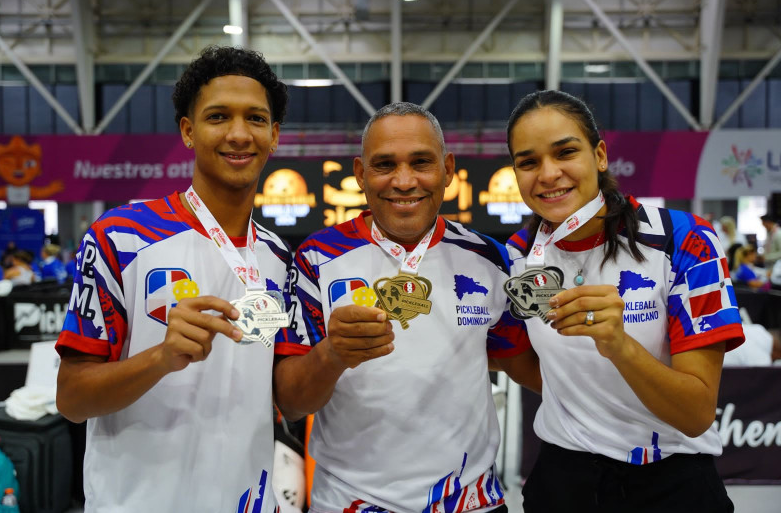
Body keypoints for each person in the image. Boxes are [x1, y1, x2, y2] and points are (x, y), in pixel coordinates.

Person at [55, 45, 292, 512]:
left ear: (274, 136)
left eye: (256, 119)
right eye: (219, 116)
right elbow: (71, 399)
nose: (240, 134)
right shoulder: (119, 237)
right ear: (188, 131)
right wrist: (161, 357)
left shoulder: (280, 257)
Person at [273, 102, 538, 512]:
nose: (403, 180)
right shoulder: (315, 259)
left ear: (448, 169)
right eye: (384, 165)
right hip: (350, 503)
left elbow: (526, 367)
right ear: (360, 174)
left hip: (471, 504)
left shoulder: (491, 260)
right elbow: (290, 402)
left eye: (421, 162)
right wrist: (332, 354)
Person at [502, 89, 745, 512]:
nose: (548, 173)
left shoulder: (685, 240)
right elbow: (519, 361)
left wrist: (620, 347)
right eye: (528, 161)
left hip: (672, 481)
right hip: (563, 482)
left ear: (599, 155)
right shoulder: (516, 256)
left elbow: (696, 414)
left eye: (565, 152)